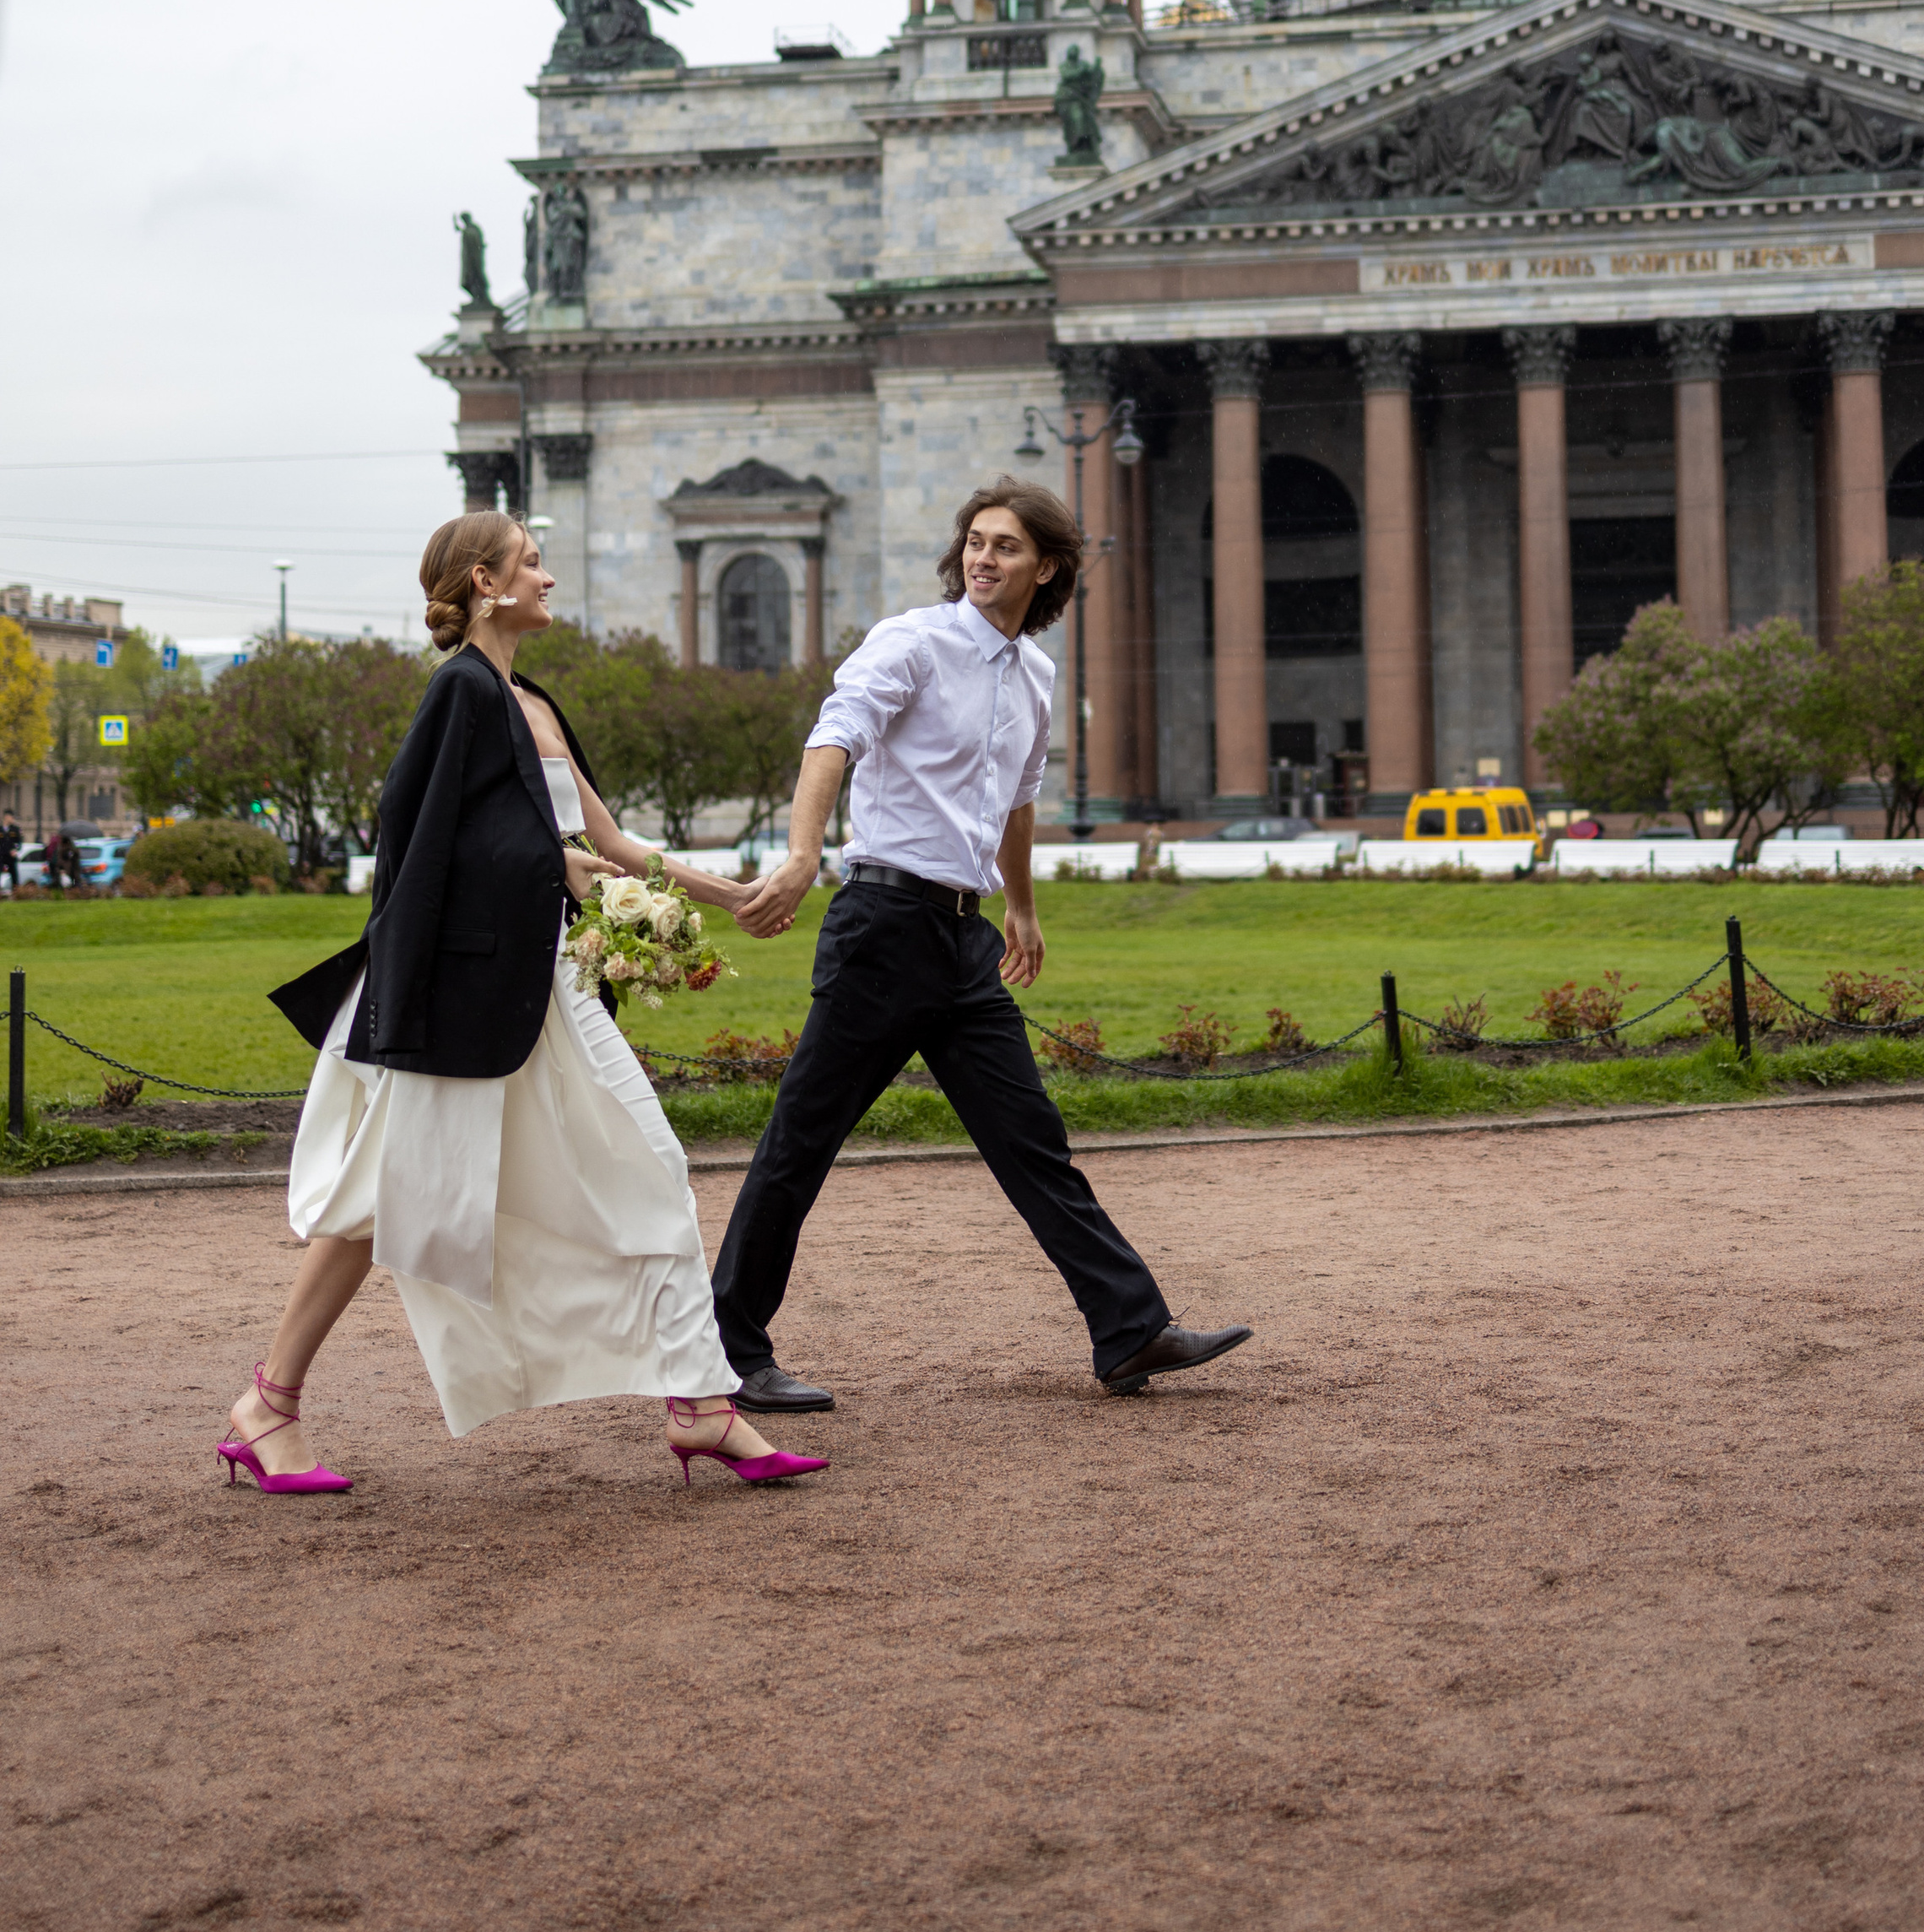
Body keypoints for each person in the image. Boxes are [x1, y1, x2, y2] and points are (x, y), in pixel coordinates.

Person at [221, 510, 827, 1497]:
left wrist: (740, 895)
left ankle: (700, 1404)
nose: (547, 579)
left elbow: (616, 844)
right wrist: (546, 866)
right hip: (474, 996)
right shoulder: (461, 692)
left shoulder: (526, 698)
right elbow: (414, 843)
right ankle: (267, 1408)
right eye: (531, 565)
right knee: (383, 1204)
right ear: (483, 584)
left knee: (650, 1169)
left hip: (547, 986)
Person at [711, 476, 1254, 1410]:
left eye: (1005, 546)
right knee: (802, 1143)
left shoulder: (1036, 677)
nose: (983, 557)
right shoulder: (912, 641)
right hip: (881, 925)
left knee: (1032, 1141)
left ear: (1045, 568)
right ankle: (727, 1353)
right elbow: (832, 737)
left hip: (962, 942)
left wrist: (1024, 909)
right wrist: (803, 854)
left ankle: (1128, 1331)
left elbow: (1015, 800)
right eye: (974, 540)